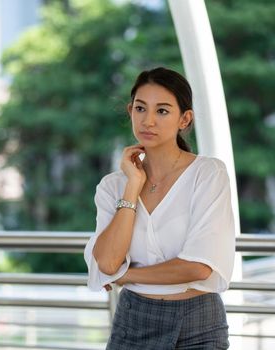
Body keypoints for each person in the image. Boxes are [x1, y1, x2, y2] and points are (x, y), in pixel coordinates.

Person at [84, 67, 235, 349]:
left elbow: (199, 267)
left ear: (184, 118)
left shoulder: (209, 174)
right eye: (141, 108)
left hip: (199, 324)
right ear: (130, 111)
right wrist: (133, 185)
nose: (148, 120)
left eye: (162, 111)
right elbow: (106, 262)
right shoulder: (113, 185)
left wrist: (123, 275)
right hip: (133, 321)